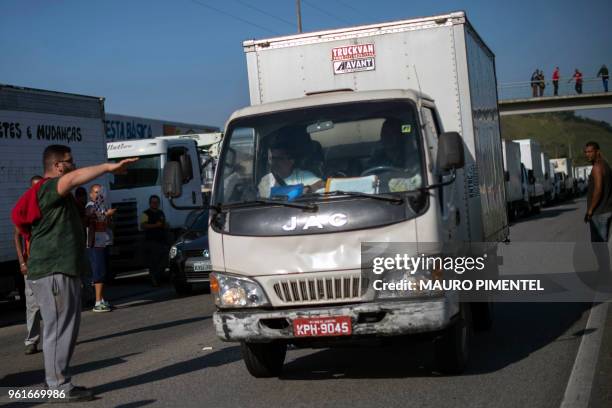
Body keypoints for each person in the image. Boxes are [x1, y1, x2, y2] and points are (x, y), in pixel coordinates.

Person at [11, 144, 136, 401]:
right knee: (59, 329)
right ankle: (58, 385)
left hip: (56, 270)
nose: (74, 163)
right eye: (70, 160)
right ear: (58, 166)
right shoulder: (48, 187)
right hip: (54, 270)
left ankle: (54, 381)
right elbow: (73, 178)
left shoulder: (53, 193)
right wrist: (108, 167)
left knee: (60, 328)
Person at [13, 175, 43, 355]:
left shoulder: (50, 205)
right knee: (32, 305)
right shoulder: (25, 207)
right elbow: (16, 236)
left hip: (50, 263)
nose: (37, 191)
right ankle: (32, 341)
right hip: (32, 264)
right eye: (34, 188)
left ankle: (55, 339)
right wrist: (22, 261)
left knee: (53, 304)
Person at [584, 141, 612, 279]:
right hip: (606, 210)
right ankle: (604, 271)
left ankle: (604, 273)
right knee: (601, 245)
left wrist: (590, 211)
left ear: (597, 152)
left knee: (598, 245)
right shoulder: (606, 165)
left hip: (599, 212)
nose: (587, 154)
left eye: (590, 151)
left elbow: (598, 190)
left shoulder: (597, 167)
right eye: (586, 152)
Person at [85, 184, 116, 312]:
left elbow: (109, 225)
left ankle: (101, 299)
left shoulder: (102, 206)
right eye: (96, 192)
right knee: (98, 272)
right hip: (95, 244)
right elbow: (92, 215)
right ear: (91, 194)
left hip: (104, 243)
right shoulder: (90, 206)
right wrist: (106, 214)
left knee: (103, 272)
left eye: (101, 193)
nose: (99, 195)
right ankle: (97, 302)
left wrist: (109, 218)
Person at [257, 142, 324, 198]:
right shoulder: (266, 180)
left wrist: (309, 189)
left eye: (279, 159)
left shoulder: (303, 176)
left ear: (291, 160)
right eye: (272, 159)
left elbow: (322, 184)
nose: (274, 162)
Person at [141, 195, 169, 287]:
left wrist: (165, 225)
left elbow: (163, 224)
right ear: (150, 203)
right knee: (154, 262)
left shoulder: (161, 213)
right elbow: (143, 226)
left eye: (157, 202)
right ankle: (154, 279)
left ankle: (157, 277)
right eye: (153, 202)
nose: (155, 204)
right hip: (151, 242)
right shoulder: (145, 213)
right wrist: (156, 225)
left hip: (162, 241)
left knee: (164, 261)